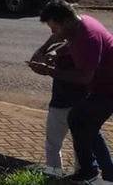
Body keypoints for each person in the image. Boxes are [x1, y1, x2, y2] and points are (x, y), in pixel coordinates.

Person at [29, 0, 113, 183]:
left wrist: (49, 71)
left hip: (108, 89)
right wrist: (54, 53)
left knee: (78, 119)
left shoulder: (89, 36)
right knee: (88, 127)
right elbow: (70, 44)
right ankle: (103, 172)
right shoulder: (79, 26)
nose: (53, 32)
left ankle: (89, 170)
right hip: (103, 87)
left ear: (66, 21)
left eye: (54, 27)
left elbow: (84, 77)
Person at [38, 41, 95, 176]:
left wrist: (50, 43)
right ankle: (82, 177)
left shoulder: (58, 49)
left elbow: (38, 58)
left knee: (53, 146)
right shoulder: (86, 48)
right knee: (81, 147)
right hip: (80, 104)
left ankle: (54, 176)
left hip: (61, 105)